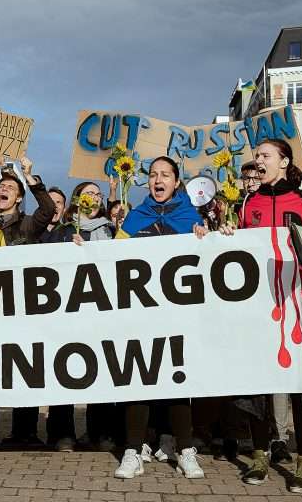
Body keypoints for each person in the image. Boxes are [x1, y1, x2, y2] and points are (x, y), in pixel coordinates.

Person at [234, 138, 302, 492]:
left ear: (284, 162)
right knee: (258, 381)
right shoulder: (248, 202)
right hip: (258, 303)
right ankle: (259, 456)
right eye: (256, 156)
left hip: (296, 299)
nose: (258, 160)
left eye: (265, 155)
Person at [112, 156, 207, 480]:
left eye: (165, 174)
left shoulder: (191, 216)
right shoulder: (135, 218)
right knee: (140, 379)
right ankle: (133, 451)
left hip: (178, 315)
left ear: (177, 182)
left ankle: (185, 450)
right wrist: (85, 249)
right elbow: (112, 258)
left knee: (178, 380)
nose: (158, 179)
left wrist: (204, 238)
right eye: (153, 174)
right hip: (141, 315)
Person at [0, 154, 55, 445]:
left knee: (25, 367)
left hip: (23, 308)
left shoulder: (27, 225)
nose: (5, 190)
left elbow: (48, 208)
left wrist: (29, 175)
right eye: (2, 187)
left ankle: (24, 431)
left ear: (20, 199)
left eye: (12, 188)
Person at [44, 182, 116, 452]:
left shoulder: (111, 231)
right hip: (68, 314)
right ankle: (63, 432)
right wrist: (67, 248)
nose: (94, 198)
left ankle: (101, 431)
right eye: (88, 194)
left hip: (101, 314)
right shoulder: (63, 231)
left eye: (98, 195)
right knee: (65, 370)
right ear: (77, 200)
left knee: (103, 370)